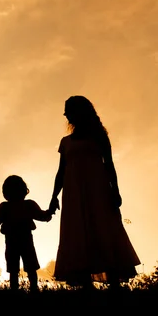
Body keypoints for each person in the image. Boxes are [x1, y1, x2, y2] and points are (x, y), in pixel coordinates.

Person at [48, 95, 140, 290]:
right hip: (73, 195)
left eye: (69, 109)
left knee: (104, 231)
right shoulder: (65, 142)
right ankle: (86, 286)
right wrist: (54, 196)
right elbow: (61, 171)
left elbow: (109, 166)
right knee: (78, 233)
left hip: (98, 192)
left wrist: (116, 191)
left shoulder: (99, 137)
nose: (65, 114)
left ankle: (114, 284)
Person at [0, 175, 54, 292]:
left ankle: (15, 292)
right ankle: (33, 290)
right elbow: (42, 216)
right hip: (26, 240)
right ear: (23, 189)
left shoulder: (4, 207)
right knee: (31, 268)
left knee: (13, 270)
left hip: (11, 241)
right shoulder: (28, 205)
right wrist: (51, 211)